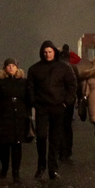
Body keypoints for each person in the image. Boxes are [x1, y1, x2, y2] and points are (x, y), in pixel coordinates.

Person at [28, 40, 77, 179]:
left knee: (55, 139)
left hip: (58, 107)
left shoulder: (64, 67)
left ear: (54, 52)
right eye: (45, 52)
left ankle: (52, 168)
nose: (47, 54)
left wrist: (66, 102)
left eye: (50, 52)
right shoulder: (35, 69)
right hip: (42, 107)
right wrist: (34, 102)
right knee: (41, 137)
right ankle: (41, 166)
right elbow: (30, 87)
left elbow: (72, 85)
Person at [0, 59, 32, 181]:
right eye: (8, 66)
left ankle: (16, 171)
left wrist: (28, 114)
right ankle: (4, 168)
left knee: (17, 145)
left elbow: (28, 99)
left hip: (19, 117)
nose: (11, 68)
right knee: (4, 146)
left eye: (13, 65)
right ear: (5, 68)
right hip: (4, 117)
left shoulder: (23, 82)